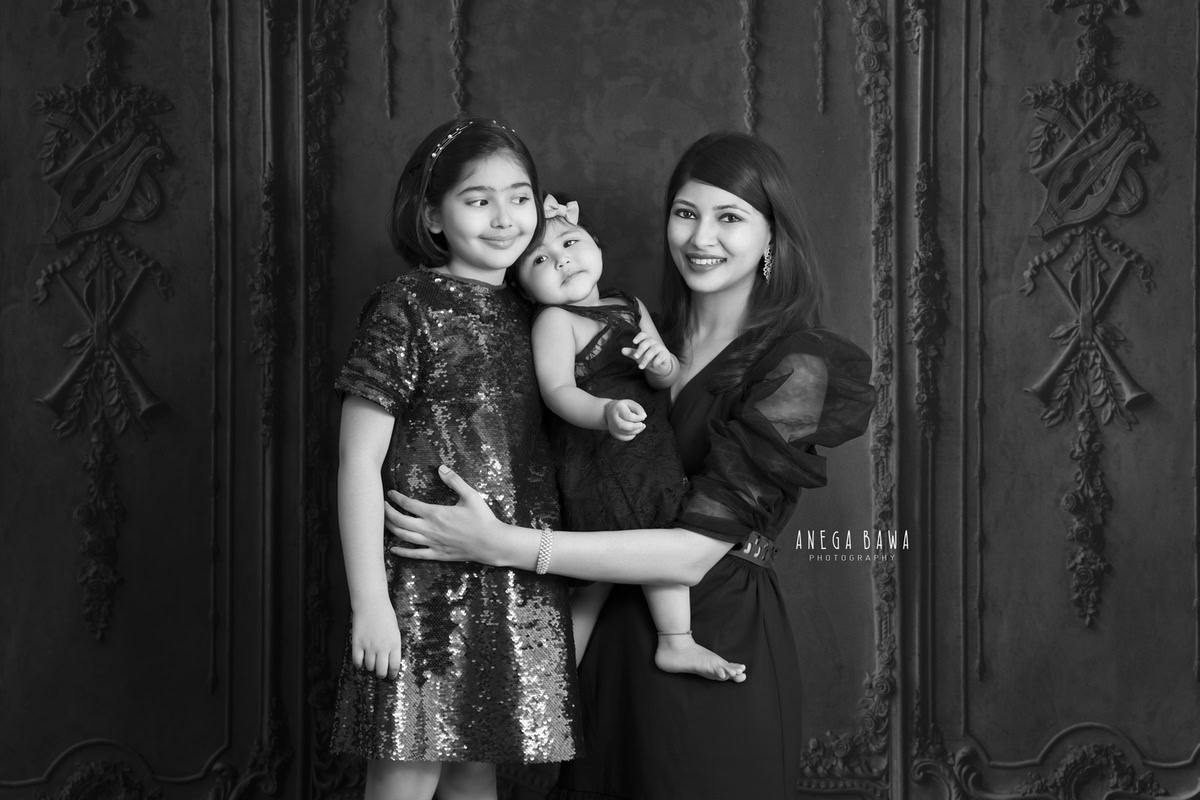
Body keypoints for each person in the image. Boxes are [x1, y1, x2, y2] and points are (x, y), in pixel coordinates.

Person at [383, 131, 875, 800]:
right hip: (603, 637)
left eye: (730, 217)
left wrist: (501, 545)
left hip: (715, 636)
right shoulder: (632, 335)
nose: (702, 237)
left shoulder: (796, 363)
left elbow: (694, 553)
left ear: (772, 238)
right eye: (686, 213)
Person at [330, 117, 581, 800]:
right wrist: (370, 604)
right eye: (478, 200)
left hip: (510, 583)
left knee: (477, 771)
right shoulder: (407, 306)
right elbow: (357, 462)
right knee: (406, 770)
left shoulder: (535, 313)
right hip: (421, 591)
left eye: (520, 196)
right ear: (433, 216)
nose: (505, 217)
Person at [516, 193, 745, 682]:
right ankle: (563, 681)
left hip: (647, 448)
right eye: (540, 259)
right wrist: (603, 412)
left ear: (594, 243)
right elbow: (557, 391)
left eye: (570, 242)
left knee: (628, 555)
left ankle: (569, 682)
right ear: (523, 285)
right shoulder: (555, 322)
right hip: (599, 454)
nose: (562, 260)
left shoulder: (629, 303)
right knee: (620, 554)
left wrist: (660, 364)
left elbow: (665, 375)